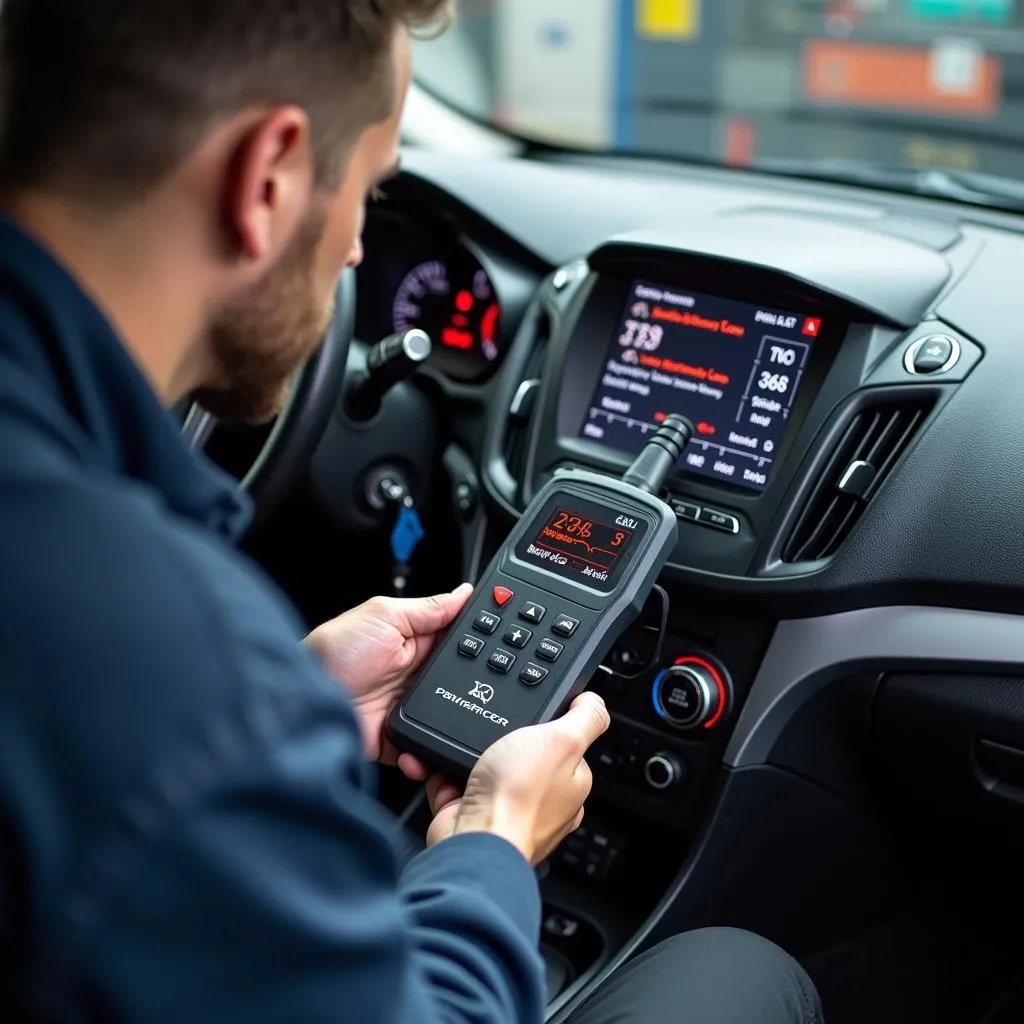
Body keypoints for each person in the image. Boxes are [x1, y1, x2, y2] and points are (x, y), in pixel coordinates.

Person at [0, 1, 824, 1021]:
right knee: (745, 972)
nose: (355, 254)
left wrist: (290, 704)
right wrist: (493, 852)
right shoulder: (174, 657)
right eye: (371, 190)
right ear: (268, 177)